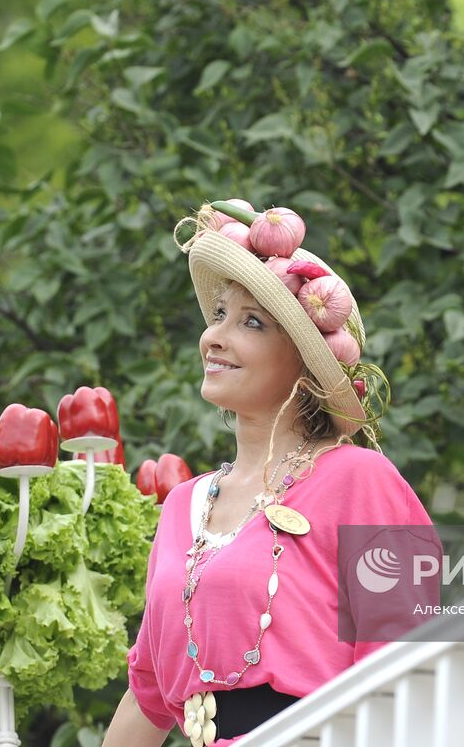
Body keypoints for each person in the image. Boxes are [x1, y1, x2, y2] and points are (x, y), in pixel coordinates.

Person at [102, 199, 437, 747]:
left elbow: (404, 676)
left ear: (305, 364)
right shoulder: (183, 505)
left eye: (251, 322)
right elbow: (148, 691)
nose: (214, 337)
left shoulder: (361, 480)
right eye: (218, 316)